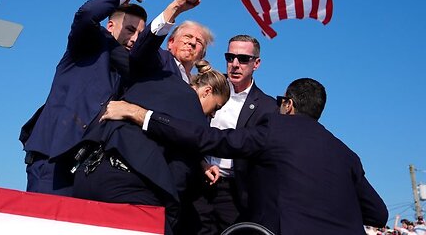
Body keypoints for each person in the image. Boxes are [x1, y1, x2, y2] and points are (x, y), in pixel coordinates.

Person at [102, 77, 389, 235]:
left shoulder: (275, 129)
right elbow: (379, 213)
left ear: (288, 105)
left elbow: (209, 138)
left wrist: (143, 115)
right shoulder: (346, 153)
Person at [19, 0, 202, 196]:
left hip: (90, 169)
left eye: (139, 34)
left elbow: (149, 51)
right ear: (110, 26)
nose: (134, 39)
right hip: (54, 159)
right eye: (130, 30)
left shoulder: (132, 68)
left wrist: (175, 9)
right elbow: (87, 13)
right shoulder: (86, 45)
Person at [72, 60, 230, 234]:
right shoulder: (195, 114)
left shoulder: (158, 81)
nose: (214, 114)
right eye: (216, 107)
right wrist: (169, 216)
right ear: (207, 91)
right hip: (129, 190)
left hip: (88, 174)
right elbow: (180, 172)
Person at [194, 35, 277, 234]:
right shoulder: (206, 88)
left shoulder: (268, 107)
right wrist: (200, 163)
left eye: (243, 59)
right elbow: (191, 131)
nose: (235, 64)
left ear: (256, 63)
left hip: (235, 193)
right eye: (230, 57)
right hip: (197, 183)